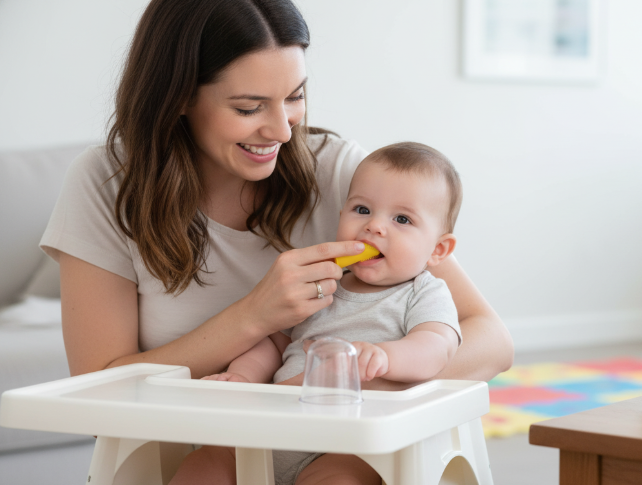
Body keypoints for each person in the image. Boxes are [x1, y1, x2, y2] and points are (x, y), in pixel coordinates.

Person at [40, 0, 512, 483]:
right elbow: (97, 392)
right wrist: (254, 316)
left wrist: (347, 385)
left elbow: (489, 340)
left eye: (295, 96)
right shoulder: (106, 184)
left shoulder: (343, 177)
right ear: (178, 95)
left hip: (342, 443)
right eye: (249, 107)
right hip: (191, 454)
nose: (284, 130)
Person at [173, 142, 463, 484]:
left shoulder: (423, 292)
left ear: (438, 249)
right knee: (203, 463)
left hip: (346, 443)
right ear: (341, 216)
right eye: (362, 210)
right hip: (271, 429)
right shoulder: (321, 282)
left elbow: (437, 345)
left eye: (402, 219)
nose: (375, 227)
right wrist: (243, 377)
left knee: (340, 478)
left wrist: (386, 356)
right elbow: (275, 343)